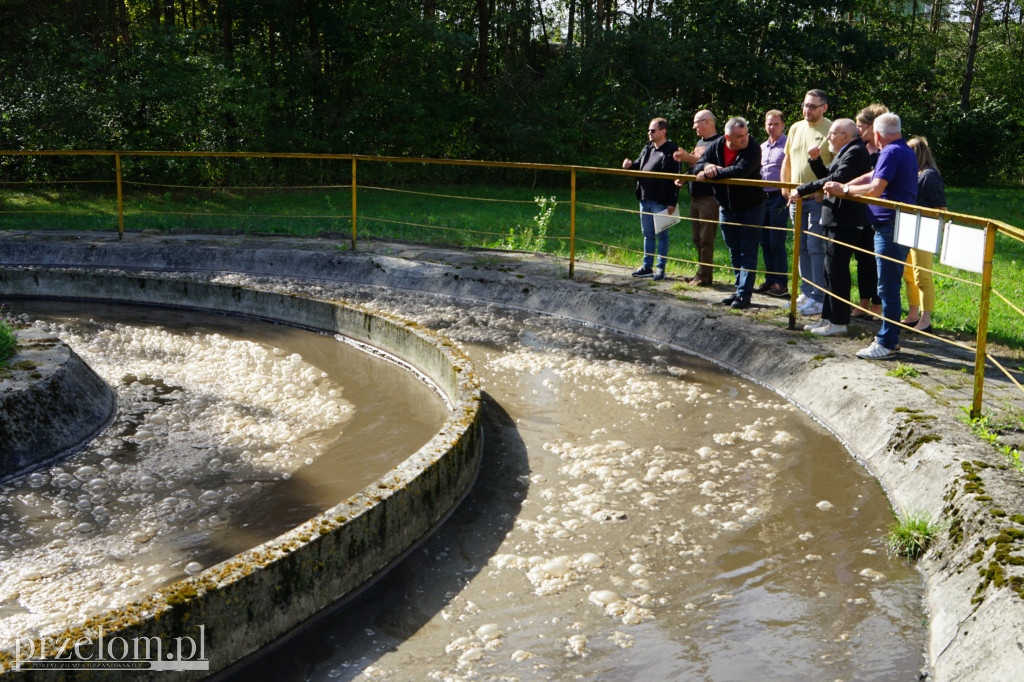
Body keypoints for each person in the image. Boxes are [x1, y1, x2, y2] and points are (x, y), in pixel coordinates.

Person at [826, 112, 917, 359]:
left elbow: (876, 188)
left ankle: (887, 342)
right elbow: (873, 175)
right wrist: (845, 185)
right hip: (896, 224)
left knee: (887, 287)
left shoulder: (889, 152)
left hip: (889, 226)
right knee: (888, 284)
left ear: (876, 135)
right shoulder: (904, 149)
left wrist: (844, 189)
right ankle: (889, 338)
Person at [791, 119, 873, 336]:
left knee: (837, 271)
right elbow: (828, 174)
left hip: (844, 220)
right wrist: (815, 160)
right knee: (830, 271)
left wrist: (802, 189)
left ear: (846, 135)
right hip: (835, 218)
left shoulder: (856, 152)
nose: (828, 137)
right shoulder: (845, 150)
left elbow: (837, 178)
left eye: (832, 134)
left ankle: (838, 322)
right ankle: (828, 318)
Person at [694, 116, 764, 309]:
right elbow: (699, 164)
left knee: (748, 251)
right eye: (739, 136)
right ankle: (738, 290)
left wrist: (711, 173)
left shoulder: (752, 148)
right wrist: (707, 167)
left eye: (746, 134)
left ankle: (744, 295)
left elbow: (740, 171)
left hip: (751, 207)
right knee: (734, 251)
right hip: (727, 207)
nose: (745, 139)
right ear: (728, 137)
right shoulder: (717, 146)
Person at [782, 89, 833, 316]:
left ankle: (819, 297)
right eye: (805, 105)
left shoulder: (832, 129)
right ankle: (806, 292)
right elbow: (788, 159)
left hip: (818, 198)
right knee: (800, 246)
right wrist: (785, 187)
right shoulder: (795, 127)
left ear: (824, 108)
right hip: (795, 199)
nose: (807, 110)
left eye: (812, 106)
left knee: (815, 247)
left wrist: (823, 190)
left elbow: (837, 165)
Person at [622, 117, 680, 281]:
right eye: (649, 130)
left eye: (653, 130)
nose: (649, 133)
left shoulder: (672, 150)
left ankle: (660, 268)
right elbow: (638, 165)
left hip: (661, 200)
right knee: (647, 234)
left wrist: (672, 202)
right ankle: (647, 266)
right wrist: (629, 165)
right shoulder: (647, 148)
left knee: (662, 235)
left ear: (663, 131)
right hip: (644, 198)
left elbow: (676, 179)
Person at [673, 110, 722, 286]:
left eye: (696, 122)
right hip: (695, 197)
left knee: (706, 238)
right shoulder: (700, 142)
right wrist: (685, 178)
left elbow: (712, 167)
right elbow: (696, 166)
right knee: (696, 238)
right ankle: (703, 273)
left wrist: (687, 157)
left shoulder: (720, 142)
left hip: (710, 198)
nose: (694, 126)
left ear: (707, 122)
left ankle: (704, 276)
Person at [903, 136, 946, 332]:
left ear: (917, 154)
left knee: (922, 276)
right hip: (909, 227)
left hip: (925, 228)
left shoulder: (929, 175)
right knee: (909, 274)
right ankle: (912, 314)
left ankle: (925, 319)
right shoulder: (913, 173)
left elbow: (941, 208)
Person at [850, 103, 888, 319]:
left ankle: (877, 304)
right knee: (861, 258)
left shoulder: (885, 150)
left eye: (861, 125)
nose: (858, 130)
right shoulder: (858, 147)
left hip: (878, 211)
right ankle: (863, 301)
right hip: (858, 211)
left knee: (875, 259)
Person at [754, 110, 790, 297]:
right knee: (765, 241)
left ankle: (782, 283)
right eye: (769, 124)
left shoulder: (788, 146)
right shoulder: (761, 147)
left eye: (776, 124)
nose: (772, 127)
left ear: (783, 125)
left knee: (777, 241)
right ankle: (770, 280)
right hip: (762, 198)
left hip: (779, 197)